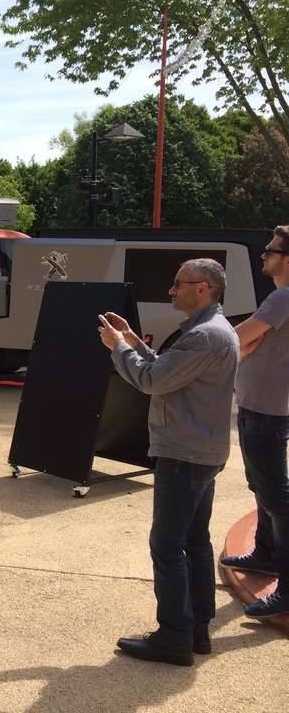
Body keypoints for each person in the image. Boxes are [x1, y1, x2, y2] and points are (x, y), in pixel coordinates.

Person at [98, 258, 239, 666]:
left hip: (184, 453)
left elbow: (152, 380)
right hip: (199, 451)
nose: (172, 290)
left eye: (180, 284)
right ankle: (196, 629)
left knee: (167, 545)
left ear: (205, 288)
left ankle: (174, 636)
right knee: (195, 540)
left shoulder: (204, 336)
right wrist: (132, 341)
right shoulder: (210, 332)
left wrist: (119, 349)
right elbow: (165, 370)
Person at [220, 225, 289, 618]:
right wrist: (249, 341)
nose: (264, 254)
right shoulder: (278, 300)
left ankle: (286, 581)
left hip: (266, 411)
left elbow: (235, 339)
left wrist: (248, 340)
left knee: (277, 496)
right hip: (256, 406)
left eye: (271, 249)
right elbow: (245, 342)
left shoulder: (282, 298)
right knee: (263, 487)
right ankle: (264, 553)